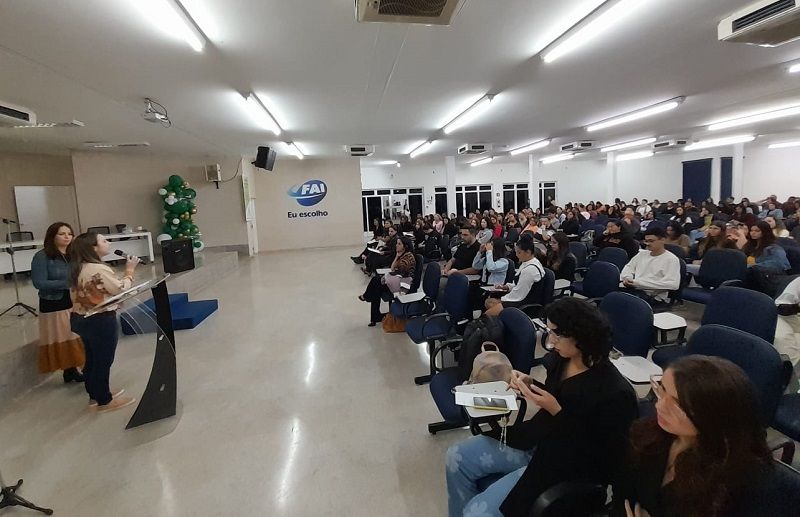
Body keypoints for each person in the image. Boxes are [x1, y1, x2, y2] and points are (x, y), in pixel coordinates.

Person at [447, 298, 638, 517]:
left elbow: (606, 458)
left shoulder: (616, 393)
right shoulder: (563, 358)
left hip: (565, 464)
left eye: (557, 334)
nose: (552, 341)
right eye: (549, 332)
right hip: (537, 439)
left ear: (581, 335)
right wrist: (530, 384)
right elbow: (560, 395)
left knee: (476, 513)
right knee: (456, 456)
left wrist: (557, 411)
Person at [610, 356, 793, 517]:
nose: (659, 406)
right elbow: (623, 493)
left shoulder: (741, 483)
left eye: (677, 405)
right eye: (662, 390)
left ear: (714, 417)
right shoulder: (648, 432)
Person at [70, 232, 139, 412]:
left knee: (92, 358)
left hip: (81, 318)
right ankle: (104, 400)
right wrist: (130, 270)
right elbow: (120, 289)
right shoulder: (98, 268)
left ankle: (95, 394)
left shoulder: (79, 267)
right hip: (100, 320)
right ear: (93, 248)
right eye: (104, 241)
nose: (108, 243)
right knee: (103, 360)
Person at [31, 222, 85, 383]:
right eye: (62, 234)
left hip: (74, 300)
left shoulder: (73, 254)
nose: (67, 237)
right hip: (54, 302)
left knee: (74, 334)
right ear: (52, 236)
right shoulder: (42, 256)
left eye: (69, 233)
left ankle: (72, 369)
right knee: (64, 335)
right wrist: (68, 283)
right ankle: (70, 369)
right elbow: (39, 283)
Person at [359, 236, 415, 326]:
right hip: (397, 280)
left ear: (405, 246)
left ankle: (368, 299)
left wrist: (389, 276)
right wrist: (397, 256)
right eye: (397, 243)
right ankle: (375, 315)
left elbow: (401, 273)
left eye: (399, 244)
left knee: (376, 282)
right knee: (376, 285)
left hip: (403, 284)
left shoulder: (408, 257)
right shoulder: (401, 254)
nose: (396, 245)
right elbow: (393, 268)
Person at [621, 227, 681, 307]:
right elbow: (629, 267)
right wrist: (627, 277)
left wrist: (639, 284)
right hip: (634, 290)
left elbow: (673, 284)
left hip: (653, 297)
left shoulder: (671, 259)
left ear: (663, 240)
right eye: (646, 241)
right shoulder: (642, 254)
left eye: (651, 241)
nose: (647, 244)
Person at [493, 234, 544, 306]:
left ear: (528, 252)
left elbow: (518, 295)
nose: (516, 255)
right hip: (522, 297)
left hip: (524, 302)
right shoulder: (528, 262)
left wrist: (502, 299)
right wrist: (507, 287)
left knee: (490, 302)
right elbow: (519, 285)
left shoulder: (530, 270)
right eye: (516, 252)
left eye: (519, 252)